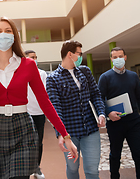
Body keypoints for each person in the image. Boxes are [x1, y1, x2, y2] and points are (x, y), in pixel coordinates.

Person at [0, 17, 78, 179]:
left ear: (15, 36)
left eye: (8, 31)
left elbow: (45, 102)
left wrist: (64, 135)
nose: (3, 35)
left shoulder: (28, 65)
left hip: (22, 127)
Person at [46, 40, 106, 179]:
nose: (81, 57)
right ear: (69, 54)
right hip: (70, 132)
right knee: (73, 168)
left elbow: (96, 95)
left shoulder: (85, 71)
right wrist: (61, 134)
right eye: (79, 54)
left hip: (90, 128)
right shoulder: (53, 78)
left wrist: (101, 113)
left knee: (92, 170)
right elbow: (56, 108)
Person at [98, 47, 140, 179]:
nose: (118, 59)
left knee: (139, 154)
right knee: (115, 154)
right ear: (111, 59)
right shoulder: (105, 77)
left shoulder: (133, 76)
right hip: (115, 123)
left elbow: (139, 96)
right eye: (115, 57)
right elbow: (99, 98)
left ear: (125, 57)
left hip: (133, 121)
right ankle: (114, 177)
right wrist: (108, 112)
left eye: (120, 56)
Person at [24, 50, 47, 179]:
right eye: (32, 57)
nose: (35, 59)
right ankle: (26, 169)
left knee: (38, 142)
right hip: (25, 113)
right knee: (26, 143)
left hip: (39, 113)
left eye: (36, 57)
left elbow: (44, 93)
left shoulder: (42, 74)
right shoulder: (21, 73)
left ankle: (36, 168)